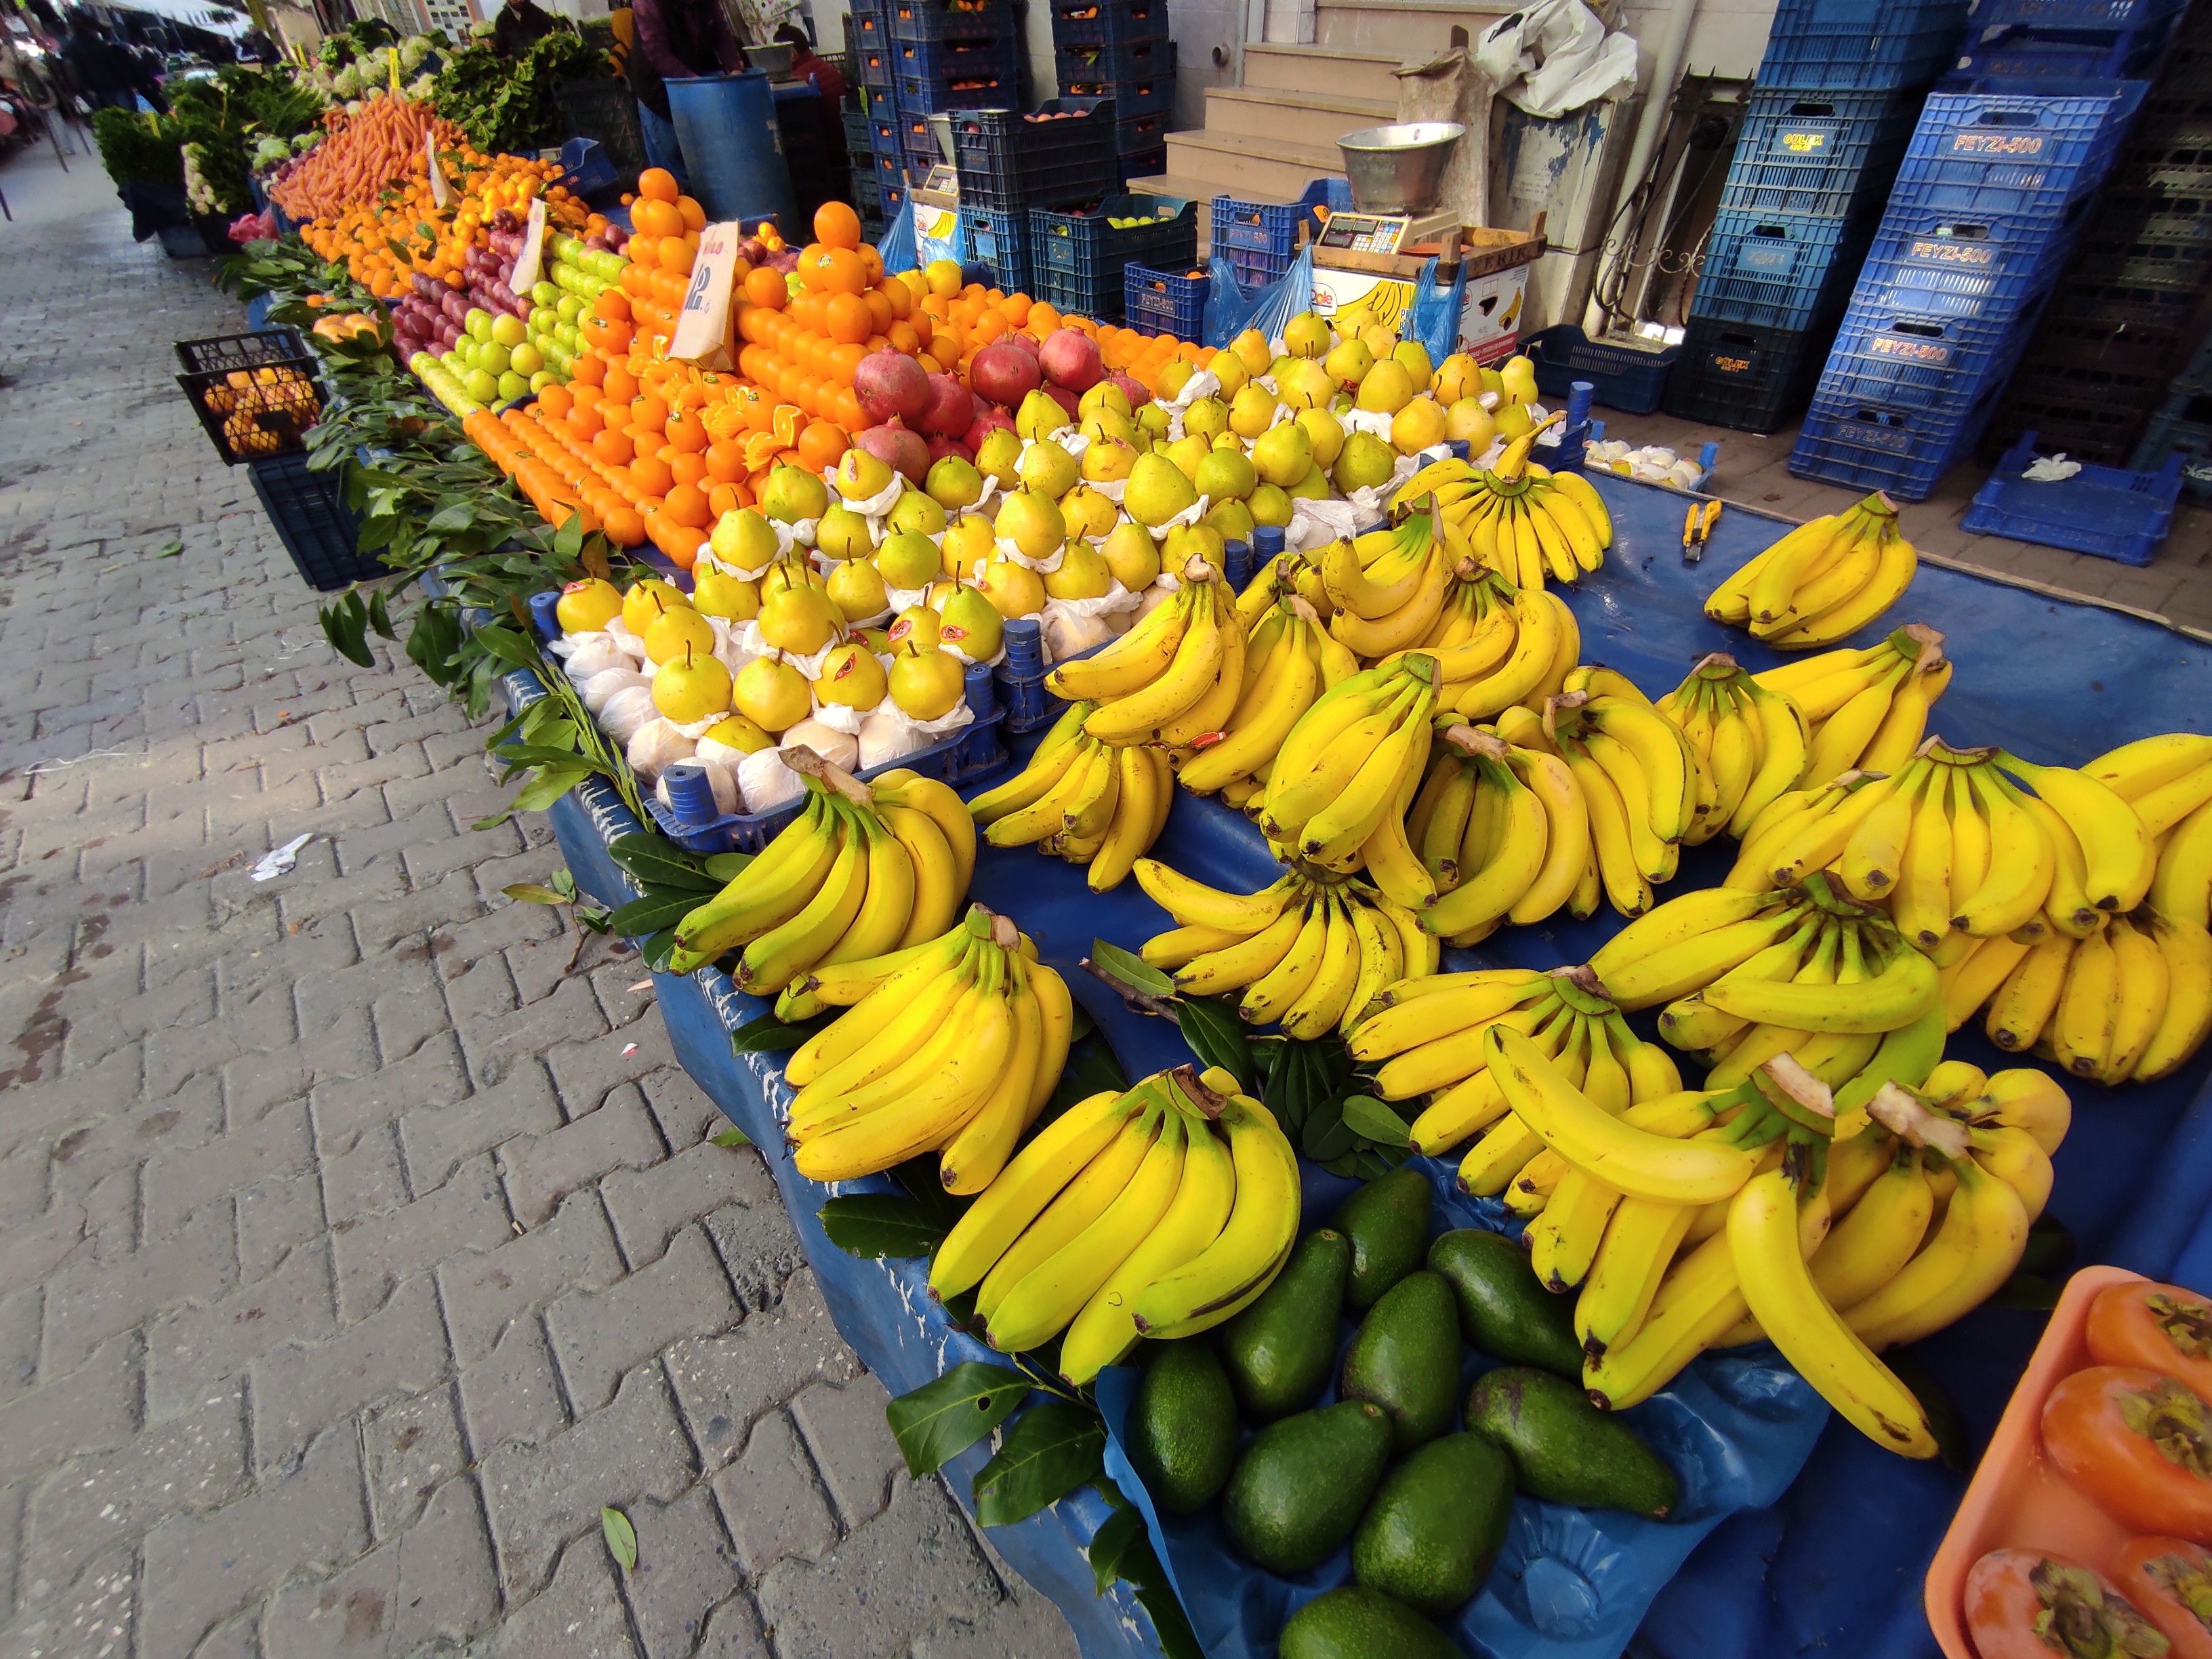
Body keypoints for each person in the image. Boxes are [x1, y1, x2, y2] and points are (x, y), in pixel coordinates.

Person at [626, 0, 744, 190]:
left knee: (713, 168)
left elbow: (721, 32)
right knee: (673, 177)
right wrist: (698, 86)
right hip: (659, 90)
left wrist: (734, 69)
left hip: (700, 80)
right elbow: (657, 53)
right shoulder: (648, 3)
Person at [773, 22, 848, 171]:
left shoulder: (800, 77)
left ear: (793, 54)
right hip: (843, 143)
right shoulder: (820, 65)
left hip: (830, 153)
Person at [490, 0, 555, 59]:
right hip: (521, 64)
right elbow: (501, 48)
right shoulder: (502, 20)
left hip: (542, 60)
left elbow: (550, 31)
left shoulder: (536, 12)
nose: (520, 1)